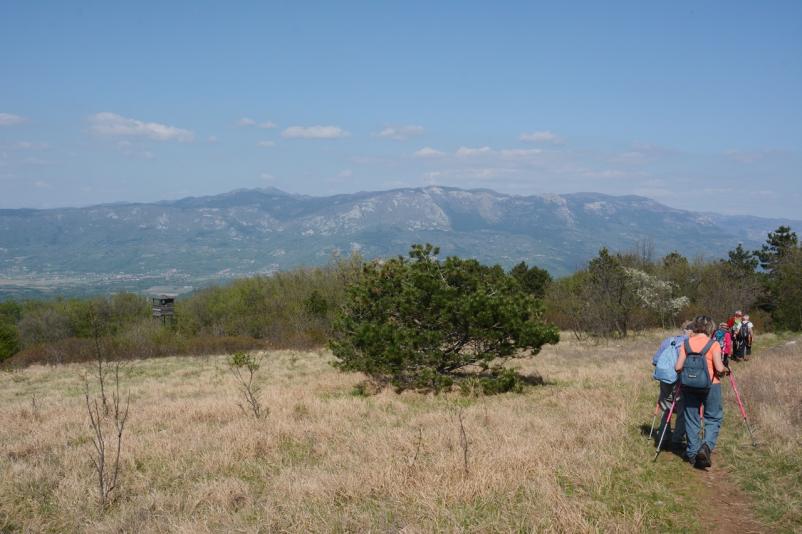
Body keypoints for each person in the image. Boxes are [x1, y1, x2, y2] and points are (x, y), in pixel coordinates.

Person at [675, 315, 728, 469]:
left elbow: (678, 367)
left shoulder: (686, 343)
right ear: (711, 327)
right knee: (713, 417)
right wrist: (725, 370)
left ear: (695, 326)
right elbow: (719, 368)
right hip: (711, 385)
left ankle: (692, 453)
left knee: (691, 418)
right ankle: (706, 447)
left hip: (689, 386)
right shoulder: (713, 344)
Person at [651, 322, 692, 450]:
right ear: (691, 331)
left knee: (666, 408)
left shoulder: (669, 340)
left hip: (665, 379)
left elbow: (655, 360)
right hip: (680, 380)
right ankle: (677, 439)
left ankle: (663, 437)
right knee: (682, 408)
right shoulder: (689, 343)